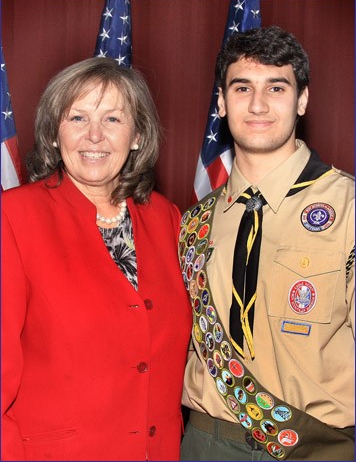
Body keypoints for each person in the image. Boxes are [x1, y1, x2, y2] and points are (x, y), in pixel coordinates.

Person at [2, 57, 192, 461]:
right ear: (55, 133)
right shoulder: (13, 218)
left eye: (112, 120)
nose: (93, 136)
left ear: (137, 135)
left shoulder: (167, 219)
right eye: (77, 118)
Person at [179, 26, 354, 461]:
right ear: (221, 102)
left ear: (302, 99)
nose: (258, 105)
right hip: (207, 444)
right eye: (242, 88)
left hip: (318, 447)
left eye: (276, 87)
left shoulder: (349, 208)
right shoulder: (193, 225)